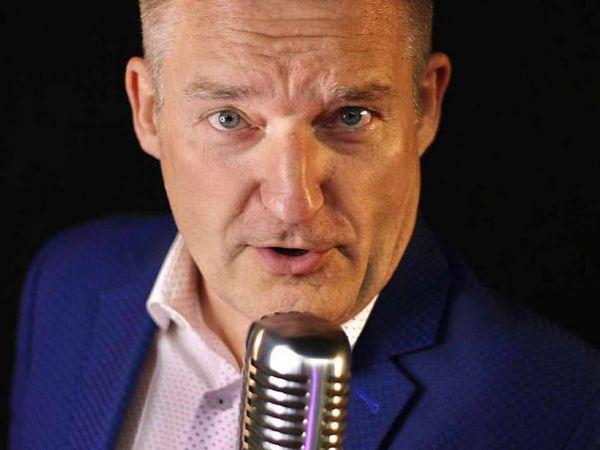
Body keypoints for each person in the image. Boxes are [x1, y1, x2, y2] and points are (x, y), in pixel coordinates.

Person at [9, 0, 600, 448]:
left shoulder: (563, 410)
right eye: (229, 118)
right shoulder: (67, 280)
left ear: (424, 106)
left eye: (351, 115)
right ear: (148, 110)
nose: (294, 204)